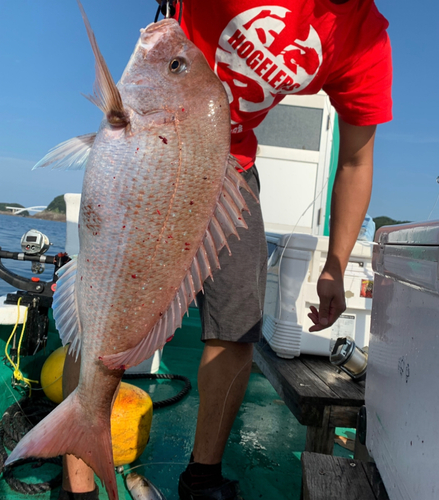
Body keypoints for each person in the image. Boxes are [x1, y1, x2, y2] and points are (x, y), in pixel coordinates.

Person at [59, 0, 392, 499]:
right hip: (152, 150)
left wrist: (336, 266)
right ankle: (79, 485)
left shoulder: (364, 38)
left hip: (231, 166)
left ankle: (202, 477)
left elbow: (355, 162)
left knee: (238, 326)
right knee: (100, 299)